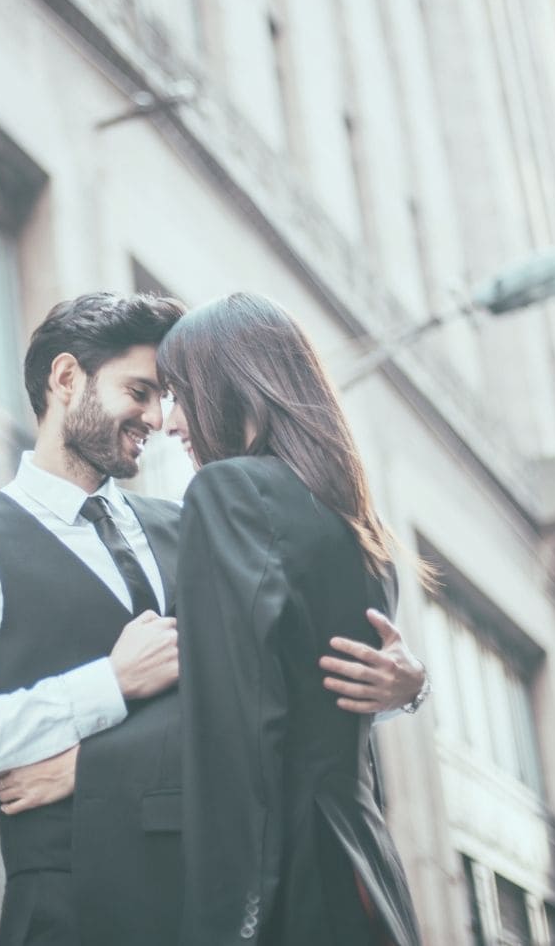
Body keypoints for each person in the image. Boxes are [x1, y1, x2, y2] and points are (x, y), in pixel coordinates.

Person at [0, 292, 427, 946]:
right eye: (140, 390)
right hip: (75, 911)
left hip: (226, 899)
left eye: (168, 394)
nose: (158, 416)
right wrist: (108, 683)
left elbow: (264, 704)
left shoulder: (204, 521)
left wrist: (406, 691)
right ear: (66, 380)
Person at [160, 292, 424, 946]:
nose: (169, 422)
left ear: (234, 389)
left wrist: (225, 922)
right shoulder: (365, 538)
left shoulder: (228, 494)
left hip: (287, 881)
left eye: (178, 394)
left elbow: (236, 734)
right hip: (368, 870)